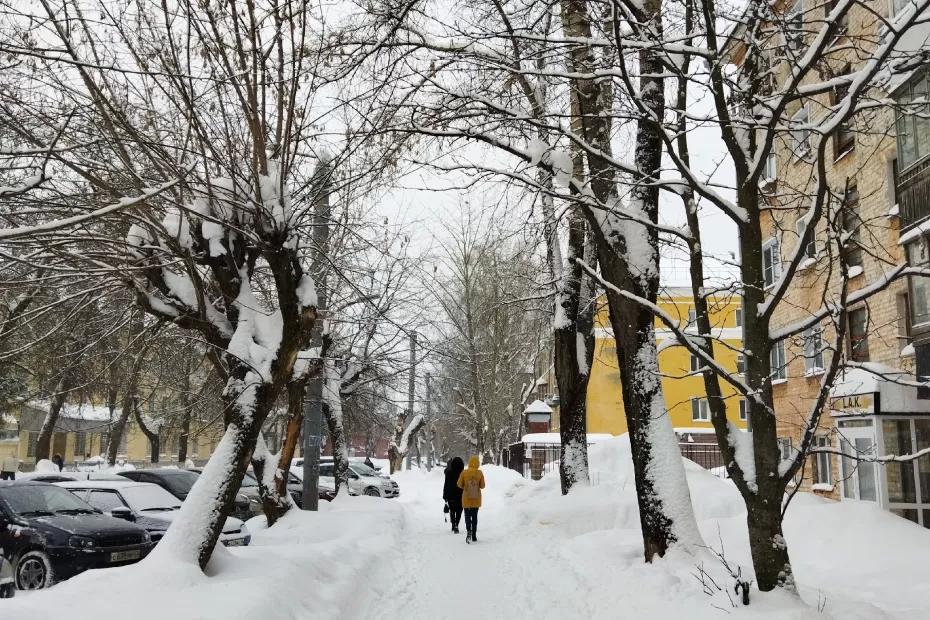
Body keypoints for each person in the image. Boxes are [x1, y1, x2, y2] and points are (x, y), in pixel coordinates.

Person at [457, 455, 485, 543]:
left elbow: (459, 484)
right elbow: (483, 486)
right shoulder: (480, 473)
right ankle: (474, 535)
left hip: (466, 498)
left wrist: (466, 486)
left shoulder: (464, 472)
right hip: (476, 499)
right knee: (475, 516)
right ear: (477, 463)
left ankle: (468, 531)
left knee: (467, 516)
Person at [443, 457, 464, 533]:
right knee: (459, 510)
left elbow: (446, 484)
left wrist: (445, 495)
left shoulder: (449, 473)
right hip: (460, 494)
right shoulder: (463, 473)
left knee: (452, 510)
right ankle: (456, 525)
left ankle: (453, 524)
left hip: (450, 494)